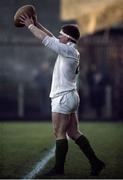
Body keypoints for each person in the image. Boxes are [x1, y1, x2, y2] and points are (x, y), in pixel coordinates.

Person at [19, 14, 105, 177]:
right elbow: (51, 37)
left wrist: (30, 26)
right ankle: (96, 162)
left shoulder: (66, 50)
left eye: (61, 34)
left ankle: (59, 170)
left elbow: (45, 39)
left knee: (59, 133)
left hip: (63, 97)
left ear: (68, 38)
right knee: (73, 132)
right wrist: (38, 23)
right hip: (70, 96)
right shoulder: (69, 49)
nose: (58, 36)